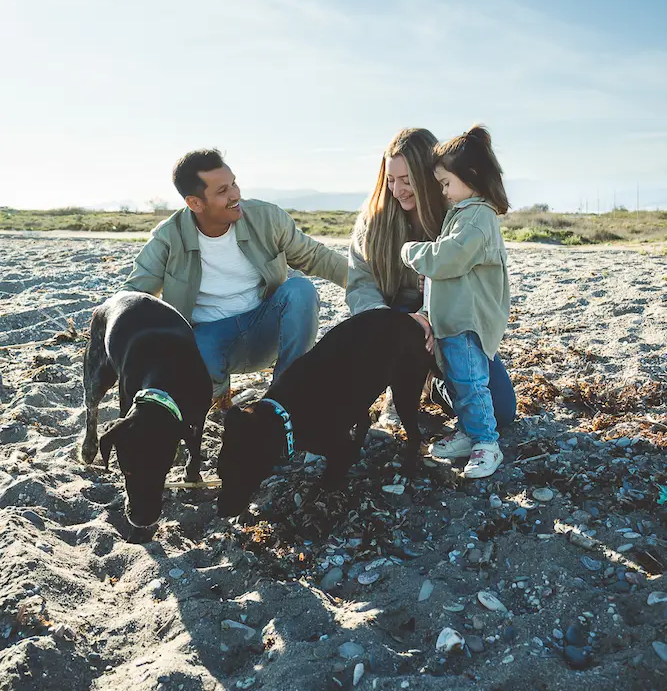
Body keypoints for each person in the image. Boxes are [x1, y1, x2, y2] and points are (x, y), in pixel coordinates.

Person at [123, 148, 347, 405]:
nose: (235, 194)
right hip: (206, 343)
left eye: (234, 183)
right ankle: (219, 401)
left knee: (300, 290)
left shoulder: (266, 217)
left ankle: (288, 393)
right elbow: (135, 294)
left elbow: (317, 257)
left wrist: (370, 282)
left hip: (265, 329)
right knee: (195, 345)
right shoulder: (168, 238)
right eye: (222, 191)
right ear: (195, 203)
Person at [346, 127, 515, 445]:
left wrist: (430, 315)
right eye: (390, 180)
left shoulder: (458, 216)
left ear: (430, 176)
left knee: (501, 412)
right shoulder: (372, 222)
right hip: (391, 323)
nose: (397, 190)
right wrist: (393, 324)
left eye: (406, 180)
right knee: (400, 318)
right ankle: (397, 390)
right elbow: (360, 285)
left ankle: (435, 384)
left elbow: (478, 283)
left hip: (450, 321)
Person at [401, 126, 511, 478]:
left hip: (467, 321)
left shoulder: (478, 216)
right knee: (458, 381)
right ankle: (468, 432)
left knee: (470, 383)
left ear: (472, 175)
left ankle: (486, 443)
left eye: (447, 183)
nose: (444, 191)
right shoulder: (465, 213)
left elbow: (450, 257)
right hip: (452, 318)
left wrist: (412, 252)